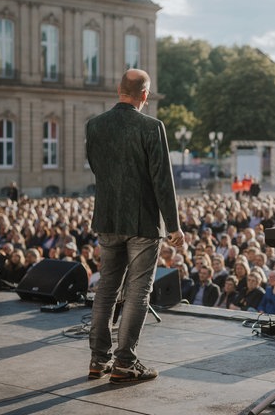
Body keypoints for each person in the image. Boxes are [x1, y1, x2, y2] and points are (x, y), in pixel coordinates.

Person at [86, 68, 184, 384]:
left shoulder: (95, 126)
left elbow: (97, 168)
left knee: (106, 289)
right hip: (142, 222)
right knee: (138, 290)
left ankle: (98, 359)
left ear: (119, 90)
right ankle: (125, 362)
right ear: (145, 95)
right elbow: (162, 180)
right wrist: (174, 225)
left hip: (108, 217)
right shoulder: (151, 127)